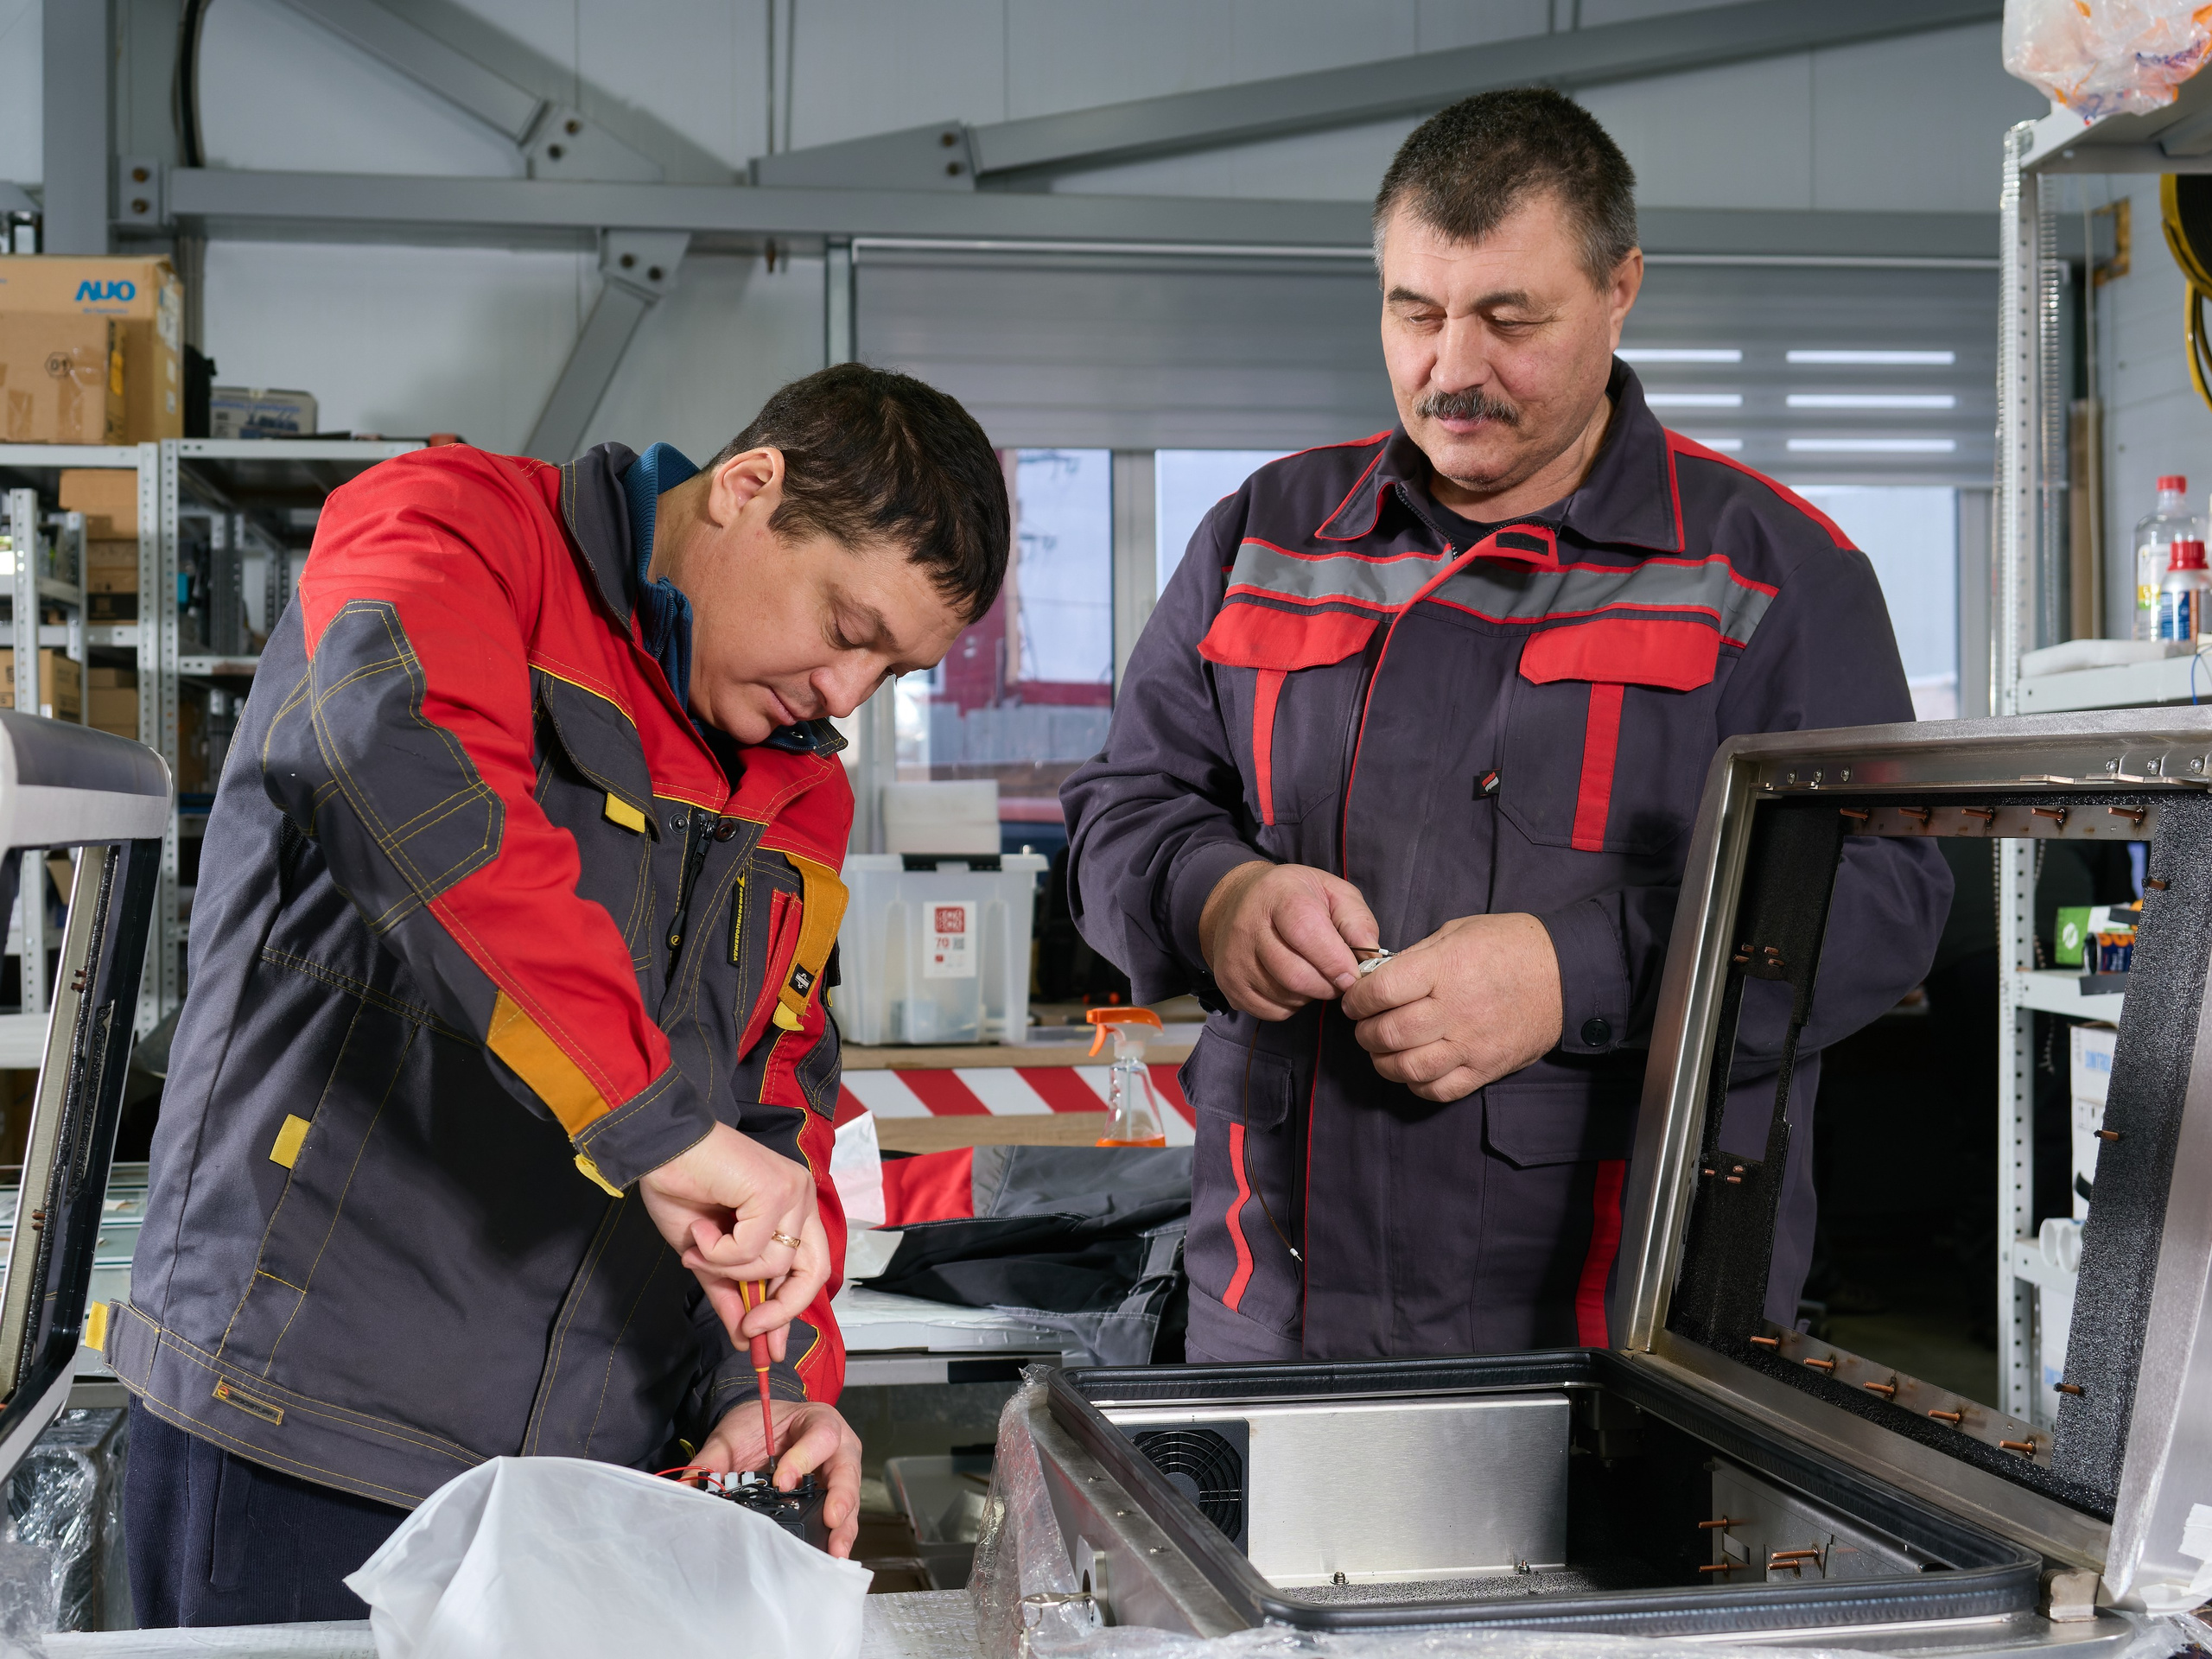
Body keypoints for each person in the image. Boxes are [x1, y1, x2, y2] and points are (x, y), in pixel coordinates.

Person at [1062, 89, 1950, 1363]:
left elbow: (1883, 901)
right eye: (1414, 313)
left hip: (1629, 1345)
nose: (1451, 369)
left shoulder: (1771, 575)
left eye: (1507, 320)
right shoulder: (1261, 538)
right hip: (1274, 1320)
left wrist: (1570, 978)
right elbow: (1121, 811)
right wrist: (1217, 896)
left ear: (1620, 288)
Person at [113, 365, 1010, 1623]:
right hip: (308, 1435)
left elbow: (771, 1103)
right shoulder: (454, 529)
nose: (846, 697)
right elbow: (405, 772)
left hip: (592, 1489)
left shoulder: (803, 788)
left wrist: (776, 1385)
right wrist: (653, 1126)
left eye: (895, 672)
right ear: (750, 489)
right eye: (849, 629)